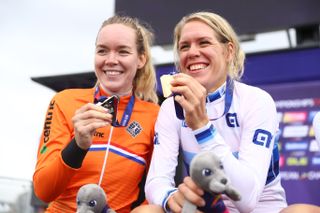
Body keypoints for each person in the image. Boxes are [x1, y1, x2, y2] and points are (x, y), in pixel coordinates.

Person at [143, 11, 287, 213]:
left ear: (229, 51)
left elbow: (247, 200)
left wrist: (202, 127)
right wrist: (170, 197)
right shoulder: (171, 107)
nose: (192, 52)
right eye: (184, 46)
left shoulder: (256, 100)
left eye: (203, 43)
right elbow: (157, 180)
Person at [33, 15, 160, 213]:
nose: (111, 60)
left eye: (123, 51)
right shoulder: (64, 101)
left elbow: (157, 189)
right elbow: (43, 191)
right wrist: (78, 145)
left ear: (141, 59)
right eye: (102, 51)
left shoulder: (154, 116)